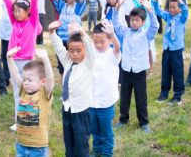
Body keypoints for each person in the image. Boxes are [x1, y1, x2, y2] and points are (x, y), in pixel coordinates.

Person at [0, 0, 42, 131]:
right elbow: (8, 4)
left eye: (19, 11)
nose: (16, 13)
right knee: (17, 92)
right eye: (14, 11)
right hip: (14, 62)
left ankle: (29, 120)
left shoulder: (32, 21)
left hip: (27, 61)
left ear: (28, 12)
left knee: (29, 90)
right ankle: (19, 121)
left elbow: (35, 5)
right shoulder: (14, 21)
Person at [112, 0, 159, 133]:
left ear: (143, 22)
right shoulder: (125, 32)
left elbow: (155, 26)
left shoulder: (146, 34)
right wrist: (116, 10)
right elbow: (116, 25)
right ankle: (123, 119)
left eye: (137, 20)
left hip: (139, 72)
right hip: (126, 70)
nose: (134, 22)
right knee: (125, 96)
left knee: (140, 98)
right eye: (132, 20)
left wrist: (150, 10)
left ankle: (143, 122)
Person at [49, 21, 95, 157]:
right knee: (69, 141)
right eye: (71, 51)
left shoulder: (88, 63)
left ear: (85, 51)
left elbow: (91, 48)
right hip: (67, 108)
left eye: (78, 51)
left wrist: (82, 33)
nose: (74, 54)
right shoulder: (67, 61)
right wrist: (52, 33)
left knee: (81, 144)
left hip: (81, 111)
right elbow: (59, 48)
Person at [7, 47, 54, 157]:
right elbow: (15, 75)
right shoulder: (23, 90)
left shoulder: (44, 94)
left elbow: (50, 79)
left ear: (42, 81)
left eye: (30, 80)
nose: (26, 82)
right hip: (21, 144)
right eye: (25, 79)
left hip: (38, 147)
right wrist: (9, 58)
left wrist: (46, 60)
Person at [43, 0, 87, 76]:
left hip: (74, 41)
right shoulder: (61, 6)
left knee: (75, 65)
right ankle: (65, 88)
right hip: (61, 41)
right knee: (63, 67)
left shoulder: (78, 7)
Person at [90, 22, 120, 157]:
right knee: (95, 131)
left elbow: (118, 47)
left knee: (106, 132)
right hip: (91, 102)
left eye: (102, 41)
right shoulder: (91, 53)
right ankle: (97, 150)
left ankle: (107, 153)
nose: (98, 45)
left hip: (106, 102)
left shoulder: (112, 54)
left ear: (109, 40)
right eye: (95, 41)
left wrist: (112, 33)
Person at [154, 0, 188, 105]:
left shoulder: (182, 18)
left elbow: (186, 9)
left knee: (177, 73)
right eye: (170, 7)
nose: (171, 9)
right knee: (166, 72)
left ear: (179, 9)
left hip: (177, 50)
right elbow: (158, 11)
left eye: (174, 7)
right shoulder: (168, 16)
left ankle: (178, 96)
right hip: (167, 49)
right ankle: (164, 93)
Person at [0, 0, 17, 87]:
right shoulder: (5, 9)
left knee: (13, 58)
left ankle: (15, 76)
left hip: (14, 39)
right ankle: (6, 78)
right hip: (5, 38)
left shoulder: (17, 13)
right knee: (5, 57)